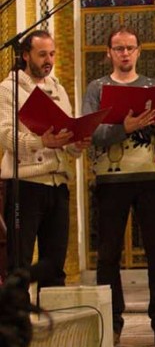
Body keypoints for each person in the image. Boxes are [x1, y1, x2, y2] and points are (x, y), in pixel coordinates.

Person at [82, 26, 155, 346]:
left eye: (130, 48)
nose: (125, 53)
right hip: (111, 180)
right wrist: (122, 127)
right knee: (108, 255)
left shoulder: (153, 86)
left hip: (151, 179)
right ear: (108, 54)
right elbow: (90, 134)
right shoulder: (97, 88)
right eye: (118, 48)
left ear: (139, 51)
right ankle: (111, 322)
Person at [0, 30, 91, 286]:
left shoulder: (58, 88)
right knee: (19, 263)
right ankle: (17, 324)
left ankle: (54, 324)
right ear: (25, 55)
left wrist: (77, 143)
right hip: (25, 185)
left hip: (58, 185)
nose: (48, 60)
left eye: (51, 54)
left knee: (54, 264)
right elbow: (5, 135)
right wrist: (41, 141)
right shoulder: (9, 89)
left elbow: (67, 139)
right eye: (42, 55)